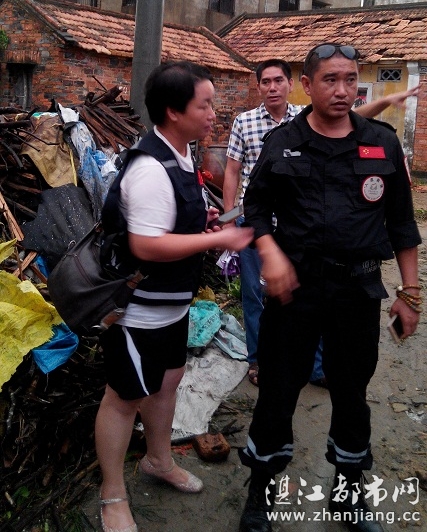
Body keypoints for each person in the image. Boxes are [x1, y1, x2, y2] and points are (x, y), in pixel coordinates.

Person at [238, 44, 422, 532]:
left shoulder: (381, 143)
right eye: (330, 80)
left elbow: (402, 224)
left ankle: (348, 494)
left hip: (356, 291)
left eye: (350, 80)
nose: (342, 90)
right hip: (294, 292)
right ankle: (260, 493)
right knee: (278, 390)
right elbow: (255, 209)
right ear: (307, 85)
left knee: (351, 392)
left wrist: (410, 293)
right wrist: (270, 251)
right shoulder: (283, 142)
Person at [95, 61, 253, 532]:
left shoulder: (181, 155)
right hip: (138, 311)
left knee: (167, 383)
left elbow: (169, 225)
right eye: (204, 105)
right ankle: (111, 494)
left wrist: (201, 225)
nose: (213, 113)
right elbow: (146, 244)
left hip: (173, 305)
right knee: (124, 397)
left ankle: (158, 461)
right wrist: (217, 239)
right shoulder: (150, 167)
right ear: (173, 111)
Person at [223, 58, 418, 387]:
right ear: (259, 87)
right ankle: (258, 359)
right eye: (266, 82)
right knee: (256, 295)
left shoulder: (304, 115)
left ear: (293, 85)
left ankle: (315, 368)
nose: (272, 87)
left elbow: (351, 115)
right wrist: (230, 219)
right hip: (260, 227)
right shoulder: (246, 122)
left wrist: (386, 101)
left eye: (278, 80)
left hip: (313, 241)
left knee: (321, 325)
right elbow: (232, 171)